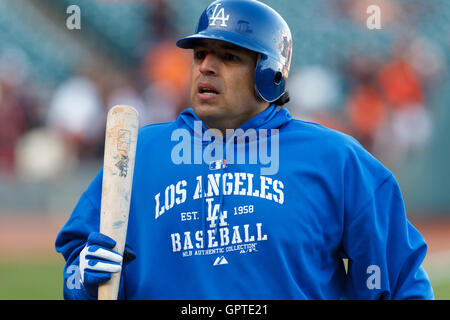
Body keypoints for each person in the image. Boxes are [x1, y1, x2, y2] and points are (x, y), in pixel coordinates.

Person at [55, 0, 434, 300]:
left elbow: (399, 277)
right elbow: (77, 266)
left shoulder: (335, 158)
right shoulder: (138, 154)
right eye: (200, 54)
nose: (206, 67)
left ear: (269, 74)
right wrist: (82, 279)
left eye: (229, 57)